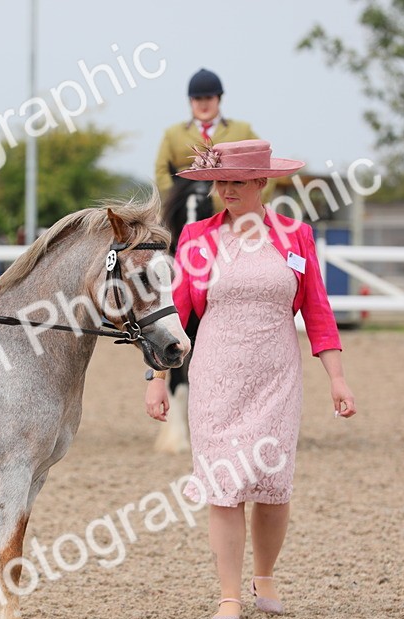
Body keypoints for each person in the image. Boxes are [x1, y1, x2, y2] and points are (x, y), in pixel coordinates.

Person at [145, 139, 357, 619]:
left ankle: (266, 575)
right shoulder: (198, 237)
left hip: (277, 377)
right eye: (221, 181)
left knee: (271, 484)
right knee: (224, 485)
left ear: (262, 183)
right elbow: (175, 313)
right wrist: (156, 377)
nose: (227, 190)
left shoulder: (296, 236)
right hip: (216, 376)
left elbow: (318, 310)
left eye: (238, 181)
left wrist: (337, 378)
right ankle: (229, 594)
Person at [153, 68, 262, 453]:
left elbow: (256, 173)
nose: (203, 104)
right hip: (185, 219)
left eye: (209, 99)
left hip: (228, 217)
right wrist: (179, 201)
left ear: (219, 100)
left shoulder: (242, 129)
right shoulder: (173, 135)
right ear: (191, 103)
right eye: (198, 99)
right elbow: (161, 175)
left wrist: (223, 201)